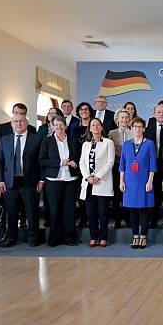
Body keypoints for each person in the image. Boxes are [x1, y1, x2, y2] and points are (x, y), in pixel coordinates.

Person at [0, 112, 43, 246]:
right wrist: (1, 180)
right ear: (11, 124)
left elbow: (41, 162)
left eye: (21, 121)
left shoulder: (37, 139)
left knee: (31, 211)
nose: (18, 123)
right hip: (10, 183)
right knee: (11, 212)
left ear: (27, 124)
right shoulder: (4, 140)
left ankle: (33, 238)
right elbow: (1, 162)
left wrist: (41, 180)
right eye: (15, 121)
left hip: (29, 181)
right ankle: (12, 238)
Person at [39, 116, 80, 247]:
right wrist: (59, 163)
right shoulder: (46, 141)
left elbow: (79, 157)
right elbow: (42, 160)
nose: (59, 127)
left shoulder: (73, 140)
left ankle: (69, 238)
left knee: (69, 210)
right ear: (52, 127)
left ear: (65, 126)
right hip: (53, 180)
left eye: (61, 125)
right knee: (54, 210)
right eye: (56, 125)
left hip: (70, 179)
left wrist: (75, 163)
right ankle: (54, 238)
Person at [120, 117, 156, 249]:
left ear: (144, 128)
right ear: (131, 128)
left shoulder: (149, 144)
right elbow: (122, 165)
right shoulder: (126, 144)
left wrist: (150, 181)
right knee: (132, 210)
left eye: (140, 126)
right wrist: (121, 181)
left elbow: (153, 165)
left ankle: (143, 236)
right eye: (135, 126)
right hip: (129, 181)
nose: (137, 129)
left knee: (144, 209)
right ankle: (135, 236)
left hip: (144, 181)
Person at [80, 118, 115, 247]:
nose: (95, 127)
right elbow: (82, 163)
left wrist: (98, 176)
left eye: (97, 125)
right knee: (91, 213)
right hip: (89, 183)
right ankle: (93, 236)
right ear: (89, 128)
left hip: (102, 182)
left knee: (103, 213)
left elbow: (110, 162)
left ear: (101, 128)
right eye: (92, 125)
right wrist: (88, 177)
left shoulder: (108, 142)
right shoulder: (85, 144)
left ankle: (103, 237)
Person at [108, 108, 134, 229]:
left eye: (126, 117)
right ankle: (117, 220)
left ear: (129, 120)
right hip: (116, 167)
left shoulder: (134, 132)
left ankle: (129, 220)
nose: (124, 119)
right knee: (117, 194)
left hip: (130, 168)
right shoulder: (111, 133)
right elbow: (110, 151)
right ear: (117, 120)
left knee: (128, 193)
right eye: (122, 117)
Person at [75, 102, 94, 228]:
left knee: (91, 195)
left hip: (92, 165)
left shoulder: (94, 126)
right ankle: (82, 218)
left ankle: (91, 218)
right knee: (81, 194)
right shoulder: (74, 128)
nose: (84, 111)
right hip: (78, 165)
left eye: (86, 109)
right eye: (81, 109)